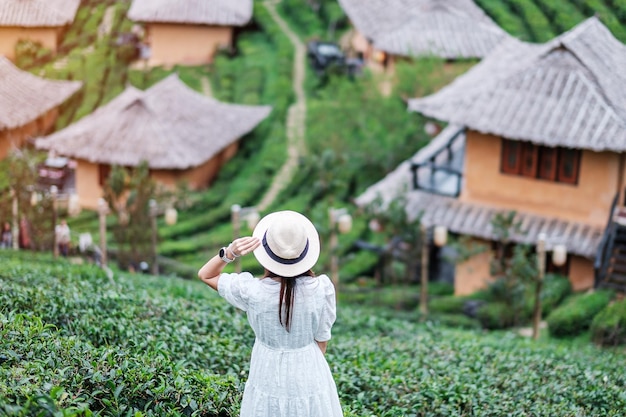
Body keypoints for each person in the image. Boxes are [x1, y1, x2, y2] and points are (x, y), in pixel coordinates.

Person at [198, 210, 343, 417]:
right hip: (310, 370)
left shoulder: (252, 290)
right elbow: (322, 340)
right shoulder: (322, 288)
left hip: (266, 370)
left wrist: (229, 252)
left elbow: (205, 274)